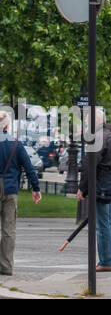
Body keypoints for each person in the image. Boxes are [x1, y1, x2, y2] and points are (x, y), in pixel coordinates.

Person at [77, 109, 111, 272]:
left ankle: (106, 261)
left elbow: (89, 165)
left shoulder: (98, 138)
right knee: (108, 225)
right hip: (109, 186)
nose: (86, 124)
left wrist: (82, 188)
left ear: (95, 121)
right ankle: (110, 259)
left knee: (103, 226)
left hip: (101, 187)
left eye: (87, 121)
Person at [0, 109, 42, 276]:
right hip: (10, 189)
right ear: (8, 126)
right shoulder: (16, 144)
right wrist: (36, 188)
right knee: (9, 230)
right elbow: (29, 168)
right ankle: (6, 266)